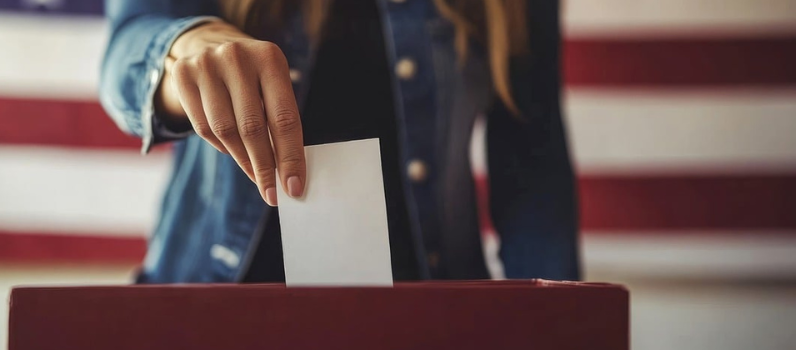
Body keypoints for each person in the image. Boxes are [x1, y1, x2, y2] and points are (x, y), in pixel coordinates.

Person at [100, 0, 580, 283]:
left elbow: (534, 175)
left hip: (430, 318)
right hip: (212, 310)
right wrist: (185, 46)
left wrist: (558, 327)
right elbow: (129, 47)